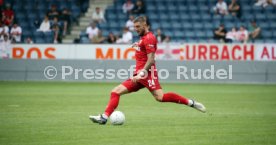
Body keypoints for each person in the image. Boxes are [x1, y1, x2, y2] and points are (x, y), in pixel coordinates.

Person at [89, 16, 206, 125]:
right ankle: (104, 117)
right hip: (139, 75)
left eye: (138, 27)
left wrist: (141, 73)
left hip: (147, 74)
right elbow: (145, 48)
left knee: (160, 97)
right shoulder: (143, 38)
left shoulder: (149, 38)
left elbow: (151, 60)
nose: (136, 29)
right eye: (134, 27)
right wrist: (139, 45)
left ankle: (191, 103)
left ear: (145, 25)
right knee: (115, 91)